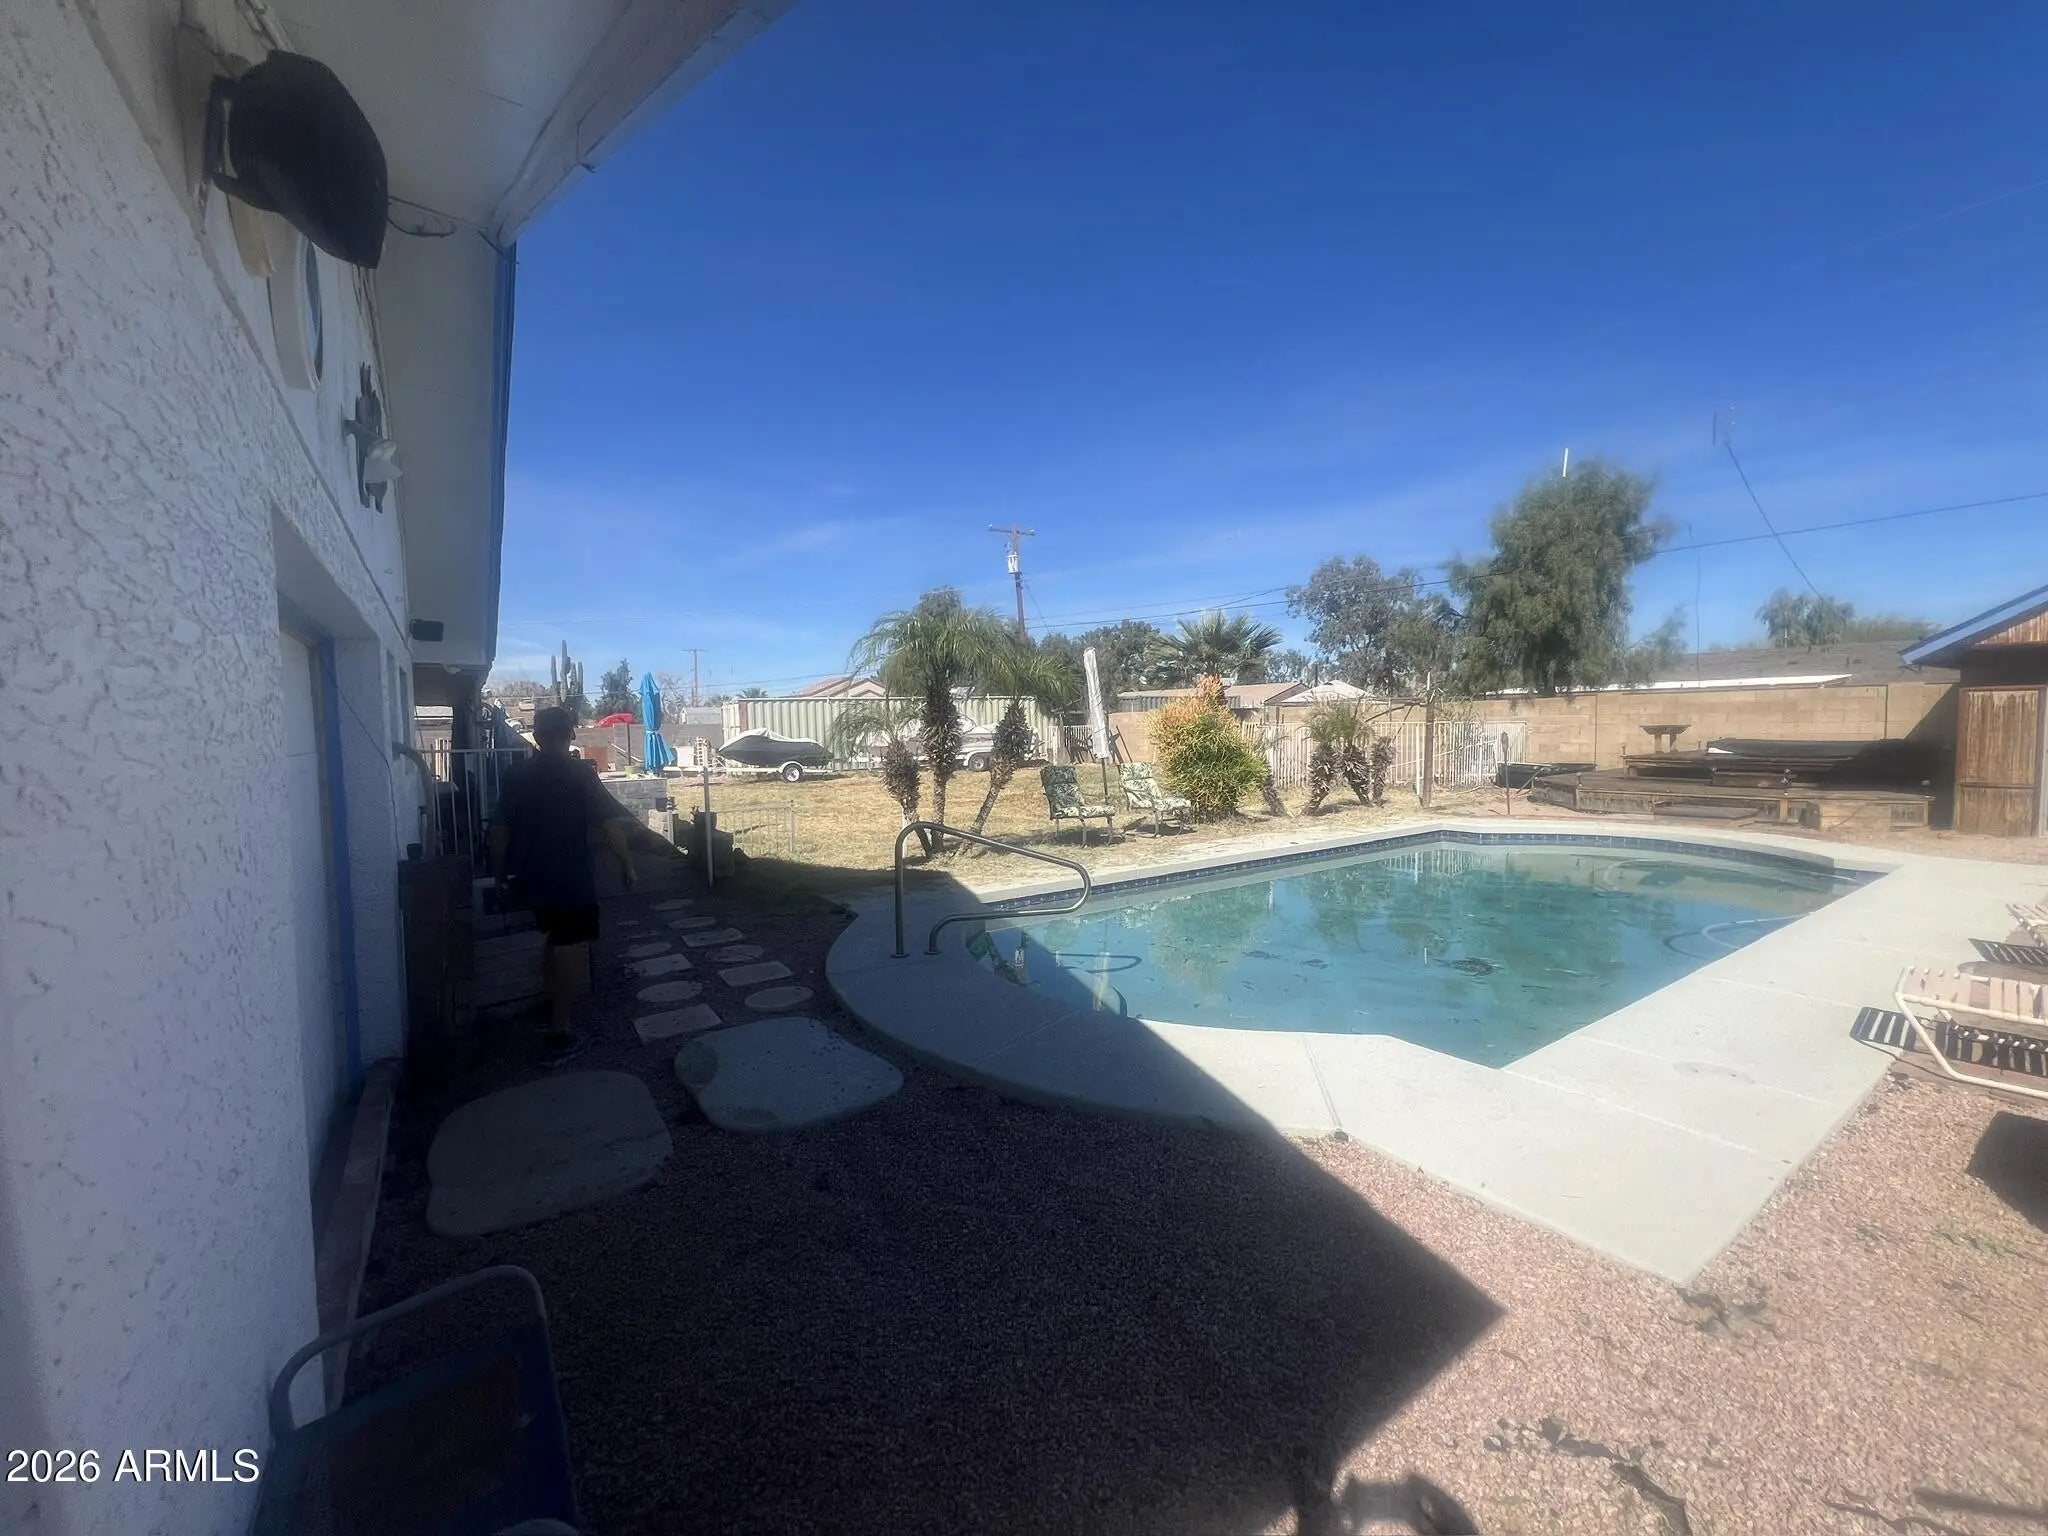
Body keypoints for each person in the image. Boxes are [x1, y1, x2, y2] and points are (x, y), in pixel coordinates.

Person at [488, 706, 636, 1064]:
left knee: (554, 938)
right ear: (570, 734)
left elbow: (498, 831)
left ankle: (551, 1004)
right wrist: (627, 864)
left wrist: (498, 873)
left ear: (537, 736)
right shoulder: (580, 774)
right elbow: (610, 825)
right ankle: (560, 1032)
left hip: (530, 877)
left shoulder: (516, 774)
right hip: (570, 878)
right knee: (571, 946)